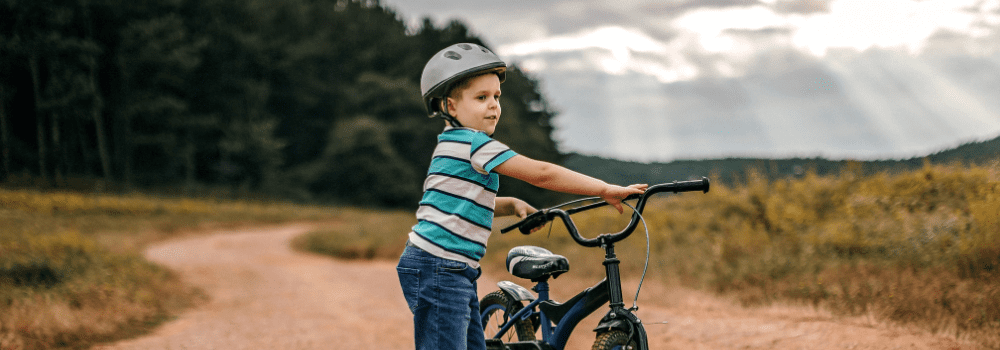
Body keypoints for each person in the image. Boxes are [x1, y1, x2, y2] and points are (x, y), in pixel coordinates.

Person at [396, 42, 648, 350]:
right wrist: (604, 189)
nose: (493, 105)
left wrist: (511, 204)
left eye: (496, 97)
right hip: (439, 266)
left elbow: (460, 204)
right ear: (450, 106)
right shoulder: (474, 144)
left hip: (446, 266)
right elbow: (542, 173)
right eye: (481, 97)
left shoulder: (451, 145)